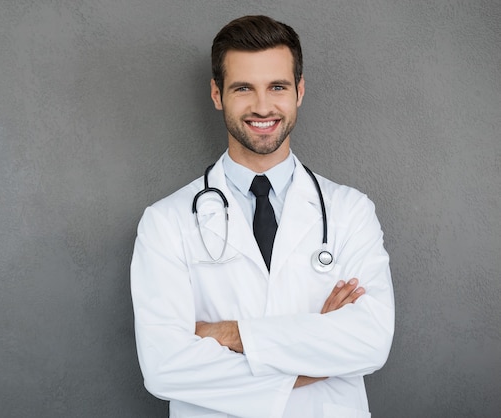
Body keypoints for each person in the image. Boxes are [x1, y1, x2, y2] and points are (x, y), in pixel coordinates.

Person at [131, 15, 394, 418]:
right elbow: (164, 368)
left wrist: (230, 333)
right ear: (217, 94)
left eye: (277, 86)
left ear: (299, 91)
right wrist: (318, 348)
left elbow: (370, 341)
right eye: (243, 88)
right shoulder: (165, 222)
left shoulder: (351, 211)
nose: (262, 106)